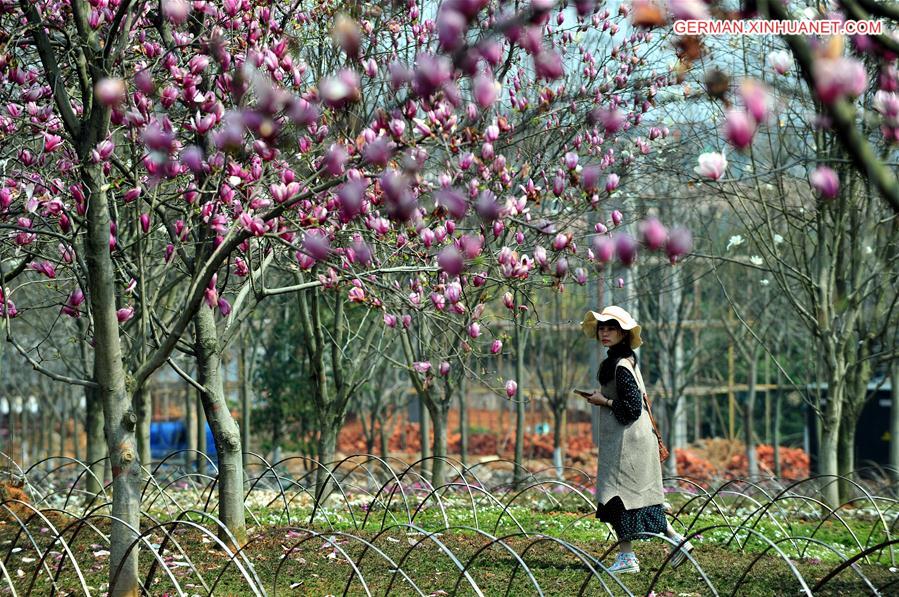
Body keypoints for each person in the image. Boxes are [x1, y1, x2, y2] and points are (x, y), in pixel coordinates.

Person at [579, 306, 694, 574]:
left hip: (627, 444)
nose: (605, 333)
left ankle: (627, 559)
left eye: (611, 328)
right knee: (638, 499)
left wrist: (602, 401)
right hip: (633, 442)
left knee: (617, 499)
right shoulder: (624, 360)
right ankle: (676, 541)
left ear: (623, 333)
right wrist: (604, 398)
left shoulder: (619, 366)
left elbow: (631, 409)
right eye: (602, 328)